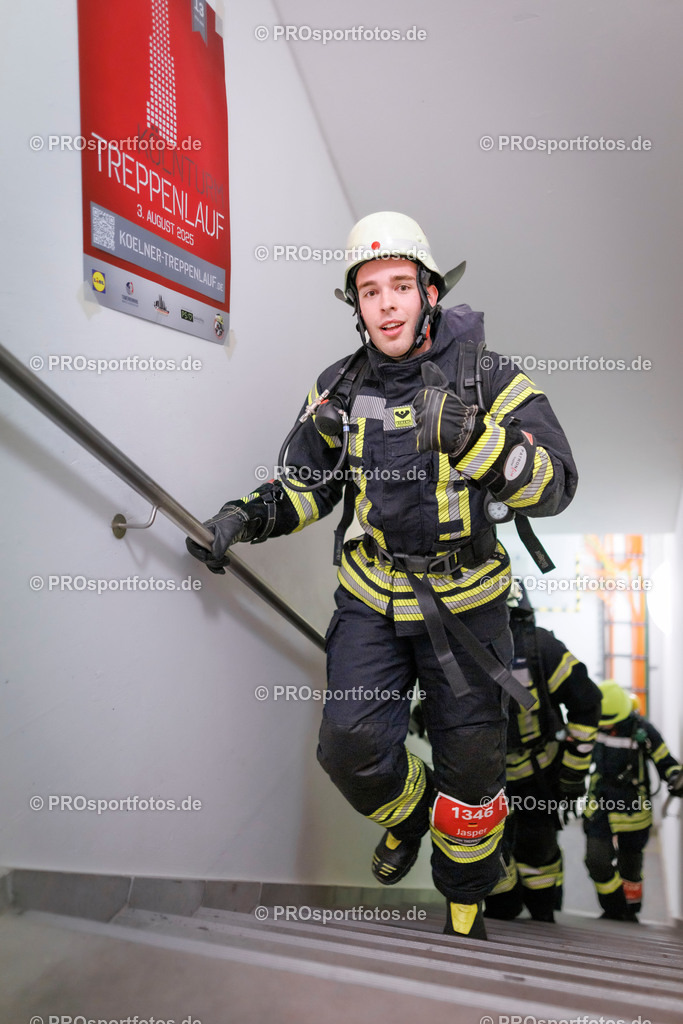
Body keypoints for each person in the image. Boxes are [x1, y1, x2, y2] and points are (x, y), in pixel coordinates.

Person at [186, 211, 578, 939]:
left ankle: (464, 902)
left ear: (430, 291)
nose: (387, 303)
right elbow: (308, 484)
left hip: (468, 609)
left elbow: (554, 487)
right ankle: (413, 814)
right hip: (371, 596)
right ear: (356, 305)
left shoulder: (492, 377)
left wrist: (474, 438)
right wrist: (246, 515)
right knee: (350, 747)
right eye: (370, 291)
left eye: (401, 285)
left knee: (474, 770)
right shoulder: (335, 387)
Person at [483, 581, 602, 922]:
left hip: (538, 778)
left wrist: (574, 771)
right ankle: (505, 914)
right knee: (492, 855)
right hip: (486, 782)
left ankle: (542, 917)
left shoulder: (541, 647)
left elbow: (587, 703)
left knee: (539, 855)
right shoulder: (459, 648)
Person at [583, 680, 683, 922]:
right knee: (596, 861)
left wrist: (675, 777)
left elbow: (665, 760)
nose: (605, 727)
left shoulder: (642, 730)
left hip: (633, 810)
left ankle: (631, 913)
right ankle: (613, 908)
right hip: (600, 807)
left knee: (631, 869)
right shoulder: (592, 723)